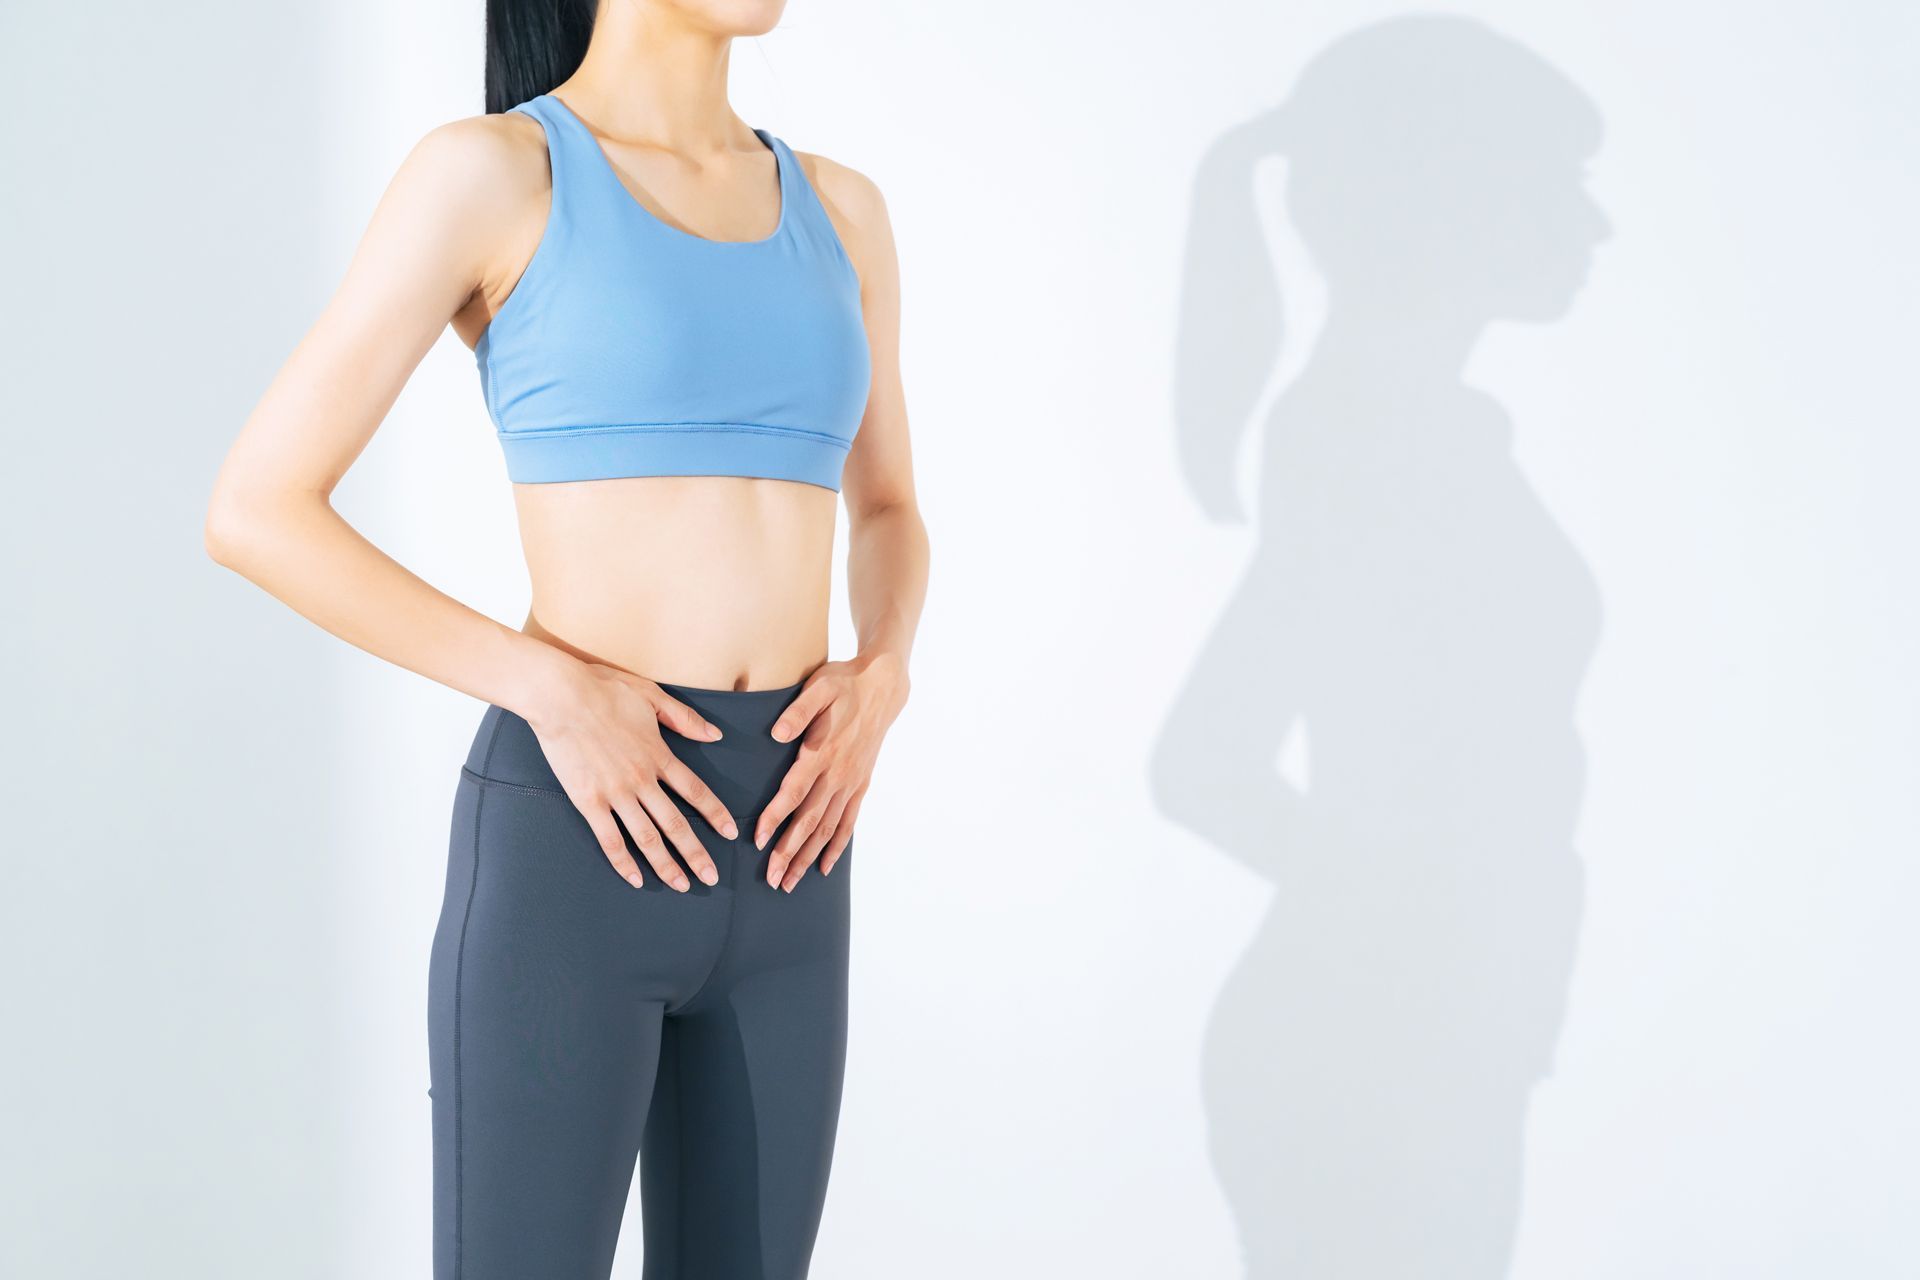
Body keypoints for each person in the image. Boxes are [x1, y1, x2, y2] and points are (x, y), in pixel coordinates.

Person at [203, 1, 929, 1275]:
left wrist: (885, 670)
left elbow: (886, 507)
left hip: (799, 845)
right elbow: (257, 508)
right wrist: (543, 683)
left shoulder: (844, 209)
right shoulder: (493, 174)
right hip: (579, 837)